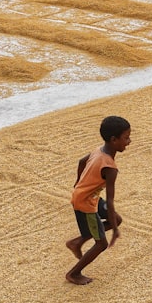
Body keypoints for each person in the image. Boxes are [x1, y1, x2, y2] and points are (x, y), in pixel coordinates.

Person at [65, 115, 131, 285]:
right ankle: (73, 273)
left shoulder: (99, 150)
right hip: (85, 204)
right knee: (101, 243)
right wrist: (115, 231)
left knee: (116, 219)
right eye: (126, 138)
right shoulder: (110, 168)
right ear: (114, 140)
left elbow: (81, 162)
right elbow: (110, 202)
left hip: (85, 196)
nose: (129, 141)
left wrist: (78, 182)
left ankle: (77, 241)